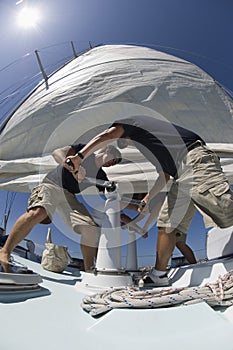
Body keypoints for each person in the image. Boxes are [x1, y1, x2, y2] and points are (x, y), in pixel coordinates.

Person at [66, 115, 233, 285]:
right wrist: (147, 197)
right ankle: (159, 275)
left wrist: (79, 157)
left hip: (193, 159)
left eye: (124, 143)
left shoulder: (132, 123)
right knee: (166, 225)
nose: (126, 147)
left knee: (224, 208)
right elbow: (165, 175)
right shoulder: (152, 148)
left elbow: (107, 136)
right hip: (178, 176)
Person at [0, 144, 122, 272]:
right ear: (107, 150)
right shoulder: (85, 152)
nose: (112, 163)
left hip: (68, 195)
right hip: (52, 184)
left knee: (90, 229)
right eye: (114, 158)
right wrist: (74, 168)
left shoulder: (101, 176)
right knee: (38, 213)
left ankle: (89, 270)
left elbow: (111, 196)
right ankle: (5, 251)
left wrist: (133, 209)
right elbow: (57, 152)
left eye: (115, 163)